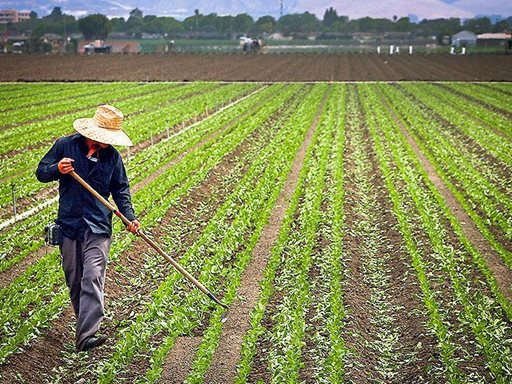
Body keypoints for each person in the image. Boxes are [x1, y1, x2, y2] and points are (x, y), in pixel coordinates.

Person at [36, 104, 140, 352]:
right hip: (70, 224)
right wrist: (56, 169)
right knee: (75, 279)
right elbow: (41, 172)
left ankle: (86, 336)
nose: (105, 143)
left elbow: (121, 190)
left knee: (93, 276)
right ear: (91, 132)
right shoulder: (65, 145)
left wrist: (130, 217)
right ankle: (83, 326)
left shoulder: (112, 157)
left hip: (98, 226)